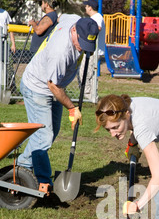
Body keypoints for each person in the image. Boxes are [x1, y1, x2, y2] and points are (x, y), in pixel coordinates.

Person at [17, 14, 99, 190]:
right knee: (43, 137)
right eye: (80, 42)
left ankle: (24, 166)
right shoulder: (60, 51)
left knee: (50, 133)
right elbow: (53, 85)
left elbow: (59, 16)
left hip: (53, 88)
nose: (81, 48)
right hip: (38, 88)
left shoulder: (74, 20)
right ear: (75, 30)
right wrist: (71, 108)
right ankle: (37, 177)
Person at [78, 0, 105, 102]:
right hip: (92, 50)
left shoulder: (97, 17)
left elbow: (97, 28)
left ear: (90, 7)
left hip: (93, 50)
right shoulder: (96, 17)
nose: (85, 7)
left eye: (86, 6)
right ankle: (92, 97)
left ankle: (91, 98)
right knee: (88, 74)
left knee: (85, 74)